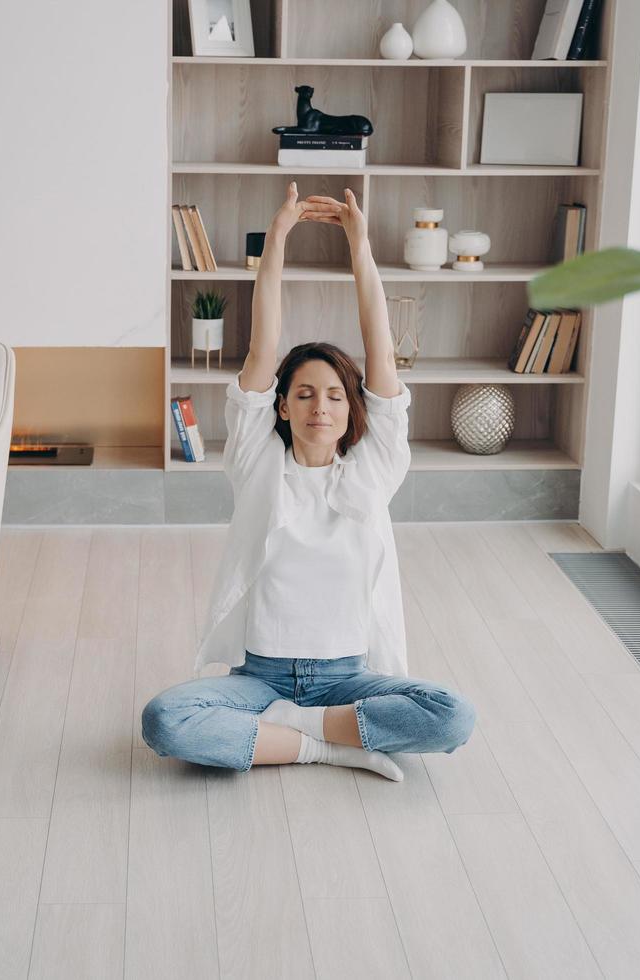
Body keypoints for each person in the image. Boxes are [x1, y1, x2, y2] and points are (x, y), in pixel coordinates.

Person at [141, 182, 476, 781]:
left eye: (334, 396)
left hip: (348, 678)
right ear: (282, 408)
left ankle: (291, 732)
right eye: (303, 394)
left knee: (451, 716)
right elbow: (260, 346)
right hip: (260, 679)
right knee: (166, 720)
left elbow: (382, 355)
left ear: (353, 410)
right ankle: (325, 746)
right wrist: (276, 242)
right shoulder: (257, 462)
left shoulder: (372, 470)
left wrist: (361, 250)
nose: (320, 406)